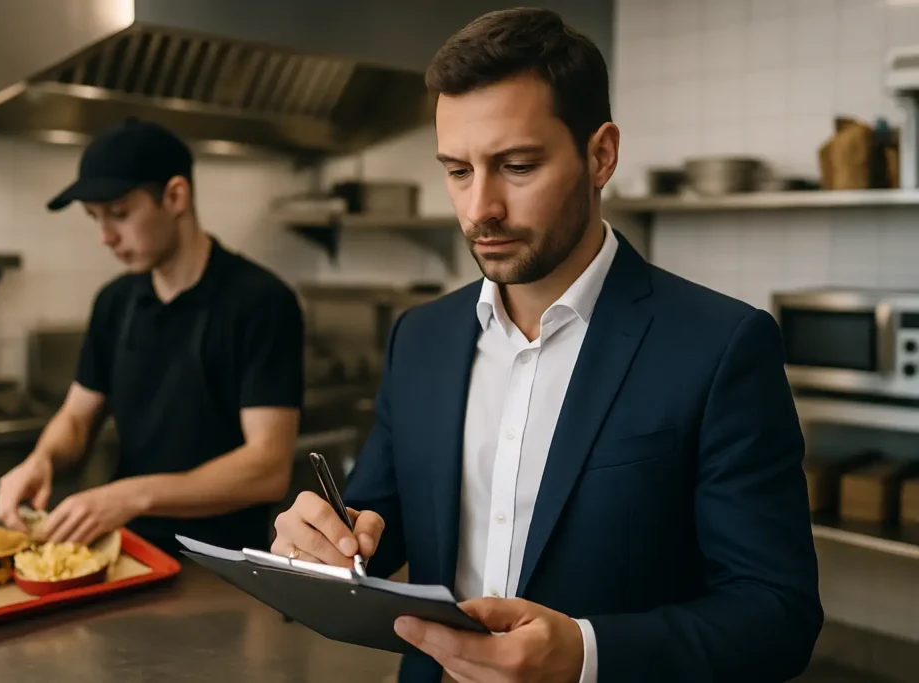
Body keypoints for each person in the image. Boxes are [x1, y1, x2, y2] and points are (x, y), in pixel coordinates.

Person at [271, 8, 822, 683]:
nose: (481, 208)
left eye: (517, 166)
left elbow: (777, 616)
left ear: (601, 155)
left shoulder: (721, 347)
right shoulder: (421, 339)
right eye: (458, 171)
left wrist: (583, 653)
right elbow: (373, 534)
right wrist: (318, 550)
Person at [0, 118, 304, 556]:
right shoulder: (115, 302)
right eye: (95, 218)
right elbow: (77, 418)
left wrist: (132, 495)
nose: (105, 237)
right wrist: (41, 458)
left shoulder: (261, 302)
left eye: (119, 214)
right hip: (126, 554)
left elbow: (267, 468)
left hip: (223, 564)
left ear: (175, 196)